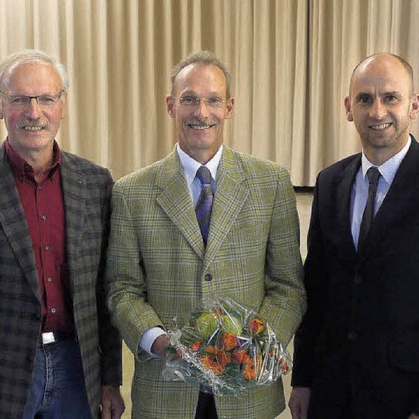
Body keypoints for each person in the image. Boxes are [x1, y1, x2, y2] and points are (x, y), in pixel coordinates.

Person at [106, 50, 306, 418]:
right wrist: (159, 341)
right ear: (170, 106)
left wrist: (255, 346)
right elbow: (122, 289)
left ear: (229, 107)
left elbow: (287, 286)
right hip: (166, 392)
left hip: (249, 393)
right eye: (189, 100)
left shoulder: (271, 182)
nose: (202, 112)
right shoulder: (131, 192)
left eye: (213, 100)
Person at [0, 49, 125, 419]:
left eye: (46, 99)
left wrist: (111, 378)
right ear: (0, 107)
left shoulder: (96, 184)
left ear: (61, 105)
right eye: (20, 100)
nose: (34, 112)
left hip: (76, 371)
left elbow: (104, 292)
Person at [289, 52, 419, 419]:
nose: (377, 112)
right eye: (365, 99)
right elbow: (317, 288)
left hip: (402, 395)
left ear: (413, 105)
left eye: (390, 97)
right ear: (349, 107)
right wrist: (303, 379)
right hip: (333, 390)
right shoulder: (330, 183)